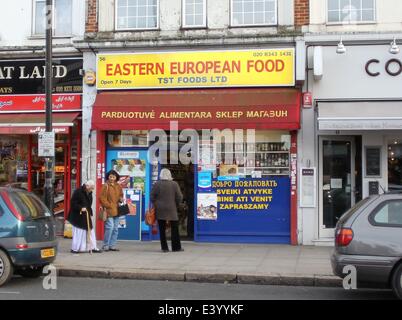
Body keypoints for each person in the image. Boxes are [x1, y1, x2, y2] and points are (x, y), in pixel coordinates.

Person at [150, 168, 184, 252]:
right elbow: (179, 197)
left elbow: (152, 196)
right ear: (170, 175)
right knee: (174, 228)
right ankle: (176, 247)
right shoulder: (174, 184)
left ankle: (164, 248)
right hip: (171, 208)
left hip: (160, 209)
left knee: (162, 229)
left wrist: (156, 203)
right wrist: (176, 203)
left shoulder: (157, 184)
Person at [67, 180, 102, 254]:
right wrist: (80, 208)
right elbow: (73, 203)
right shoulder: (78, 191)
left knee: (91, 231)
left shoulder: (89, 192)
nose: (92, 190)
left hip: (86, 214)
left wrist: (90, 213)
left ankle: (93, 247)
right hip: (77, 216)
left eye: (93, 188)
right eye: (91, 188)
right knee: (79, 232)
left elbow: (89, 204)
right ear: (87, 186)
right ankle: (75, 248)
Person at [100, 169, 124, 251]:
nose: (112, 178)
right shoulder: (105, 186)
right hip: (109, 210)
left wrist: (121, 199)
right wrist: (108, 205)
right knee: (110, 227)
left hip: (117, 209)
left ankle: (112, 245)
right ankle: (105, 245)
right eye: (110, 176)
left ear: (116, 177)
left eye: (113, 177)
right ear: (108, 177)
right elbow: (102, 198)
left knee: (115, 228)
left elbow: (121, 195)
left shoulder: (118, 186)